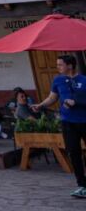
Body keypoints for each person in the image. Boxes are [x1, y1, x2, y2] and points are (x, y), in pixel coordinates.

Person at [33, 53, 86, 199]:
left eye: (60, 64)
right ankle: (82, 185)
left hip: (85, 121)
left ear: (70, 65)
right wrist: (41, 105)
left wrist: (78, 103)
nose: (57, 67)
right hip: (68, 122)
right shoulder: (58, 80)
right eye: (57, 65)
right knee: (74, 152)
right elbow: (52, 97)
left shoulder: (84, 80)